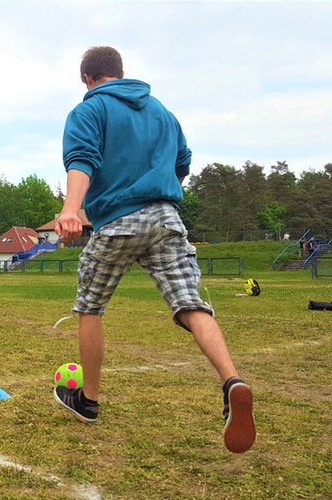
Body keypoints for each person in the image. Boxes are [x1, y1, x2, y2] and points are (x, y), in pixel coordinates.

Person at [52, 46, 255, 453]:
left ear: (87, 79)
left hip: (118, 221)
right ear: (121, 72)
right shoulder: (162, 111)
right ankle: (232, 380)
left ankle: (88, 401)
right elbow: (183, 162)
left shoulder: (88, 111)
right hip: (166, 218)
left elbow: (82, 159)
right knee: (191, 305)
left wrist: (71, 209)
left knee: (90, 307)